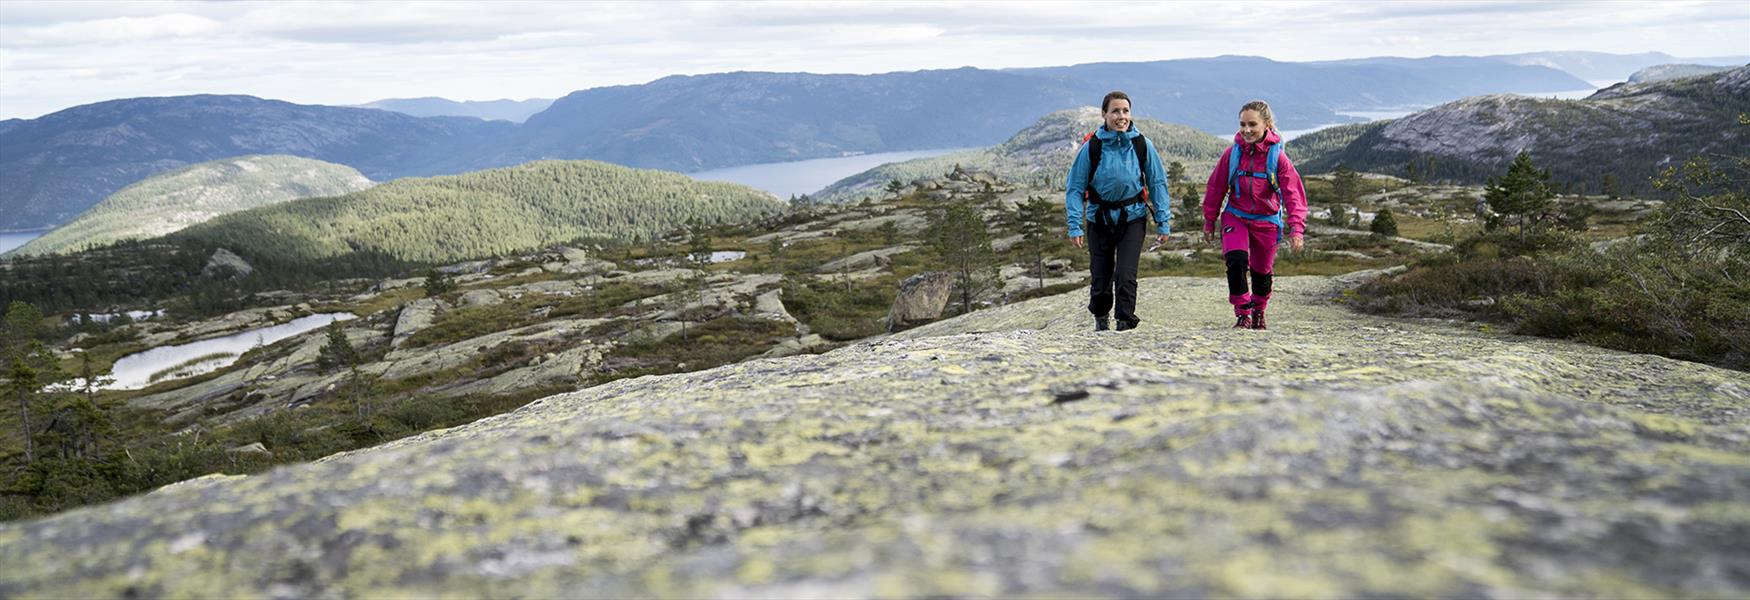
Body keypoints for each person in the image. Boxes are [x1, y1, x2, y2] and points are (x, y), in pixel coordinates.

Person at [1065, 91, 1171, 332]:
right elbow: (1074, 188)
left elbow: (1157, 183)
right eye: (1115, 111)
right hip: (1098, 219)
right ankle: (1101, 320)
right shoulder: (1092, 147)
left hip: (1132, 218)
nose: (1121, 116)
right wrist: (1074, 225)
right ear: (1104, 114)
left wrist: (1163, 221)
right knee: (1100, 278)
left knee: (1125, 275)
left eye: (1125, 111)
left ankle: (1125, 323)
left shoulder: (1141, 144)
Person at [1201, 100, 1308, 330]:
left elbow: (1294, 196)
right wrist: (1209, 221)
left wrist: (1297, 229)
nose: (1246, 130)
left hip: (1266, 221)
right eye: (1242, 124)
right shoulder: (1232, 154)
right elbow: (1215, 188)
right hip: (1236, 216)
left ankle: (1259, 310)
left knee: (1262, 272)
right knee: (1236, 260)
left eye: (1252, 124)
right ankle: (1243, 313)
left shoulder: (1277, 158)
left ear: (1266, 124)